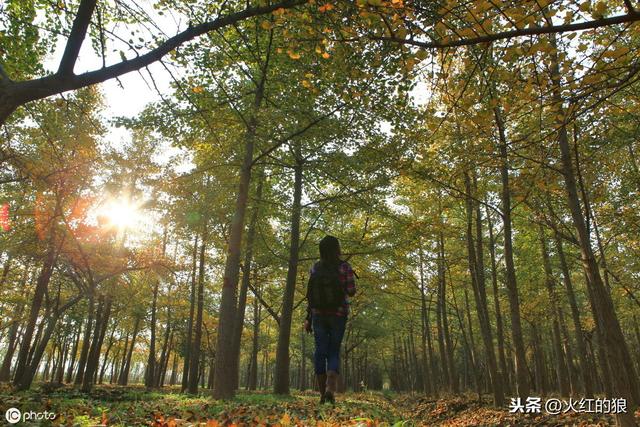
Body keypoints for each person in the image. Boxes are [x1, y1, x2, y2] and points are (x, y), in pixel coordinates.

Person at [304, 235, 356, 404]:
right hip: (338, 314)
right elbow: (351, 291)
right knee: (334, 350)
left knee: (320, 350)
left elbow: (310, 295)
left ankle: (321, 394)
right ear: (337, 249)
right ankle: (330, 389)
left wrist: (308, 318)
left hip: (318, 314)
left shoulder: (315, 268)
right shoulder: (344, 267)